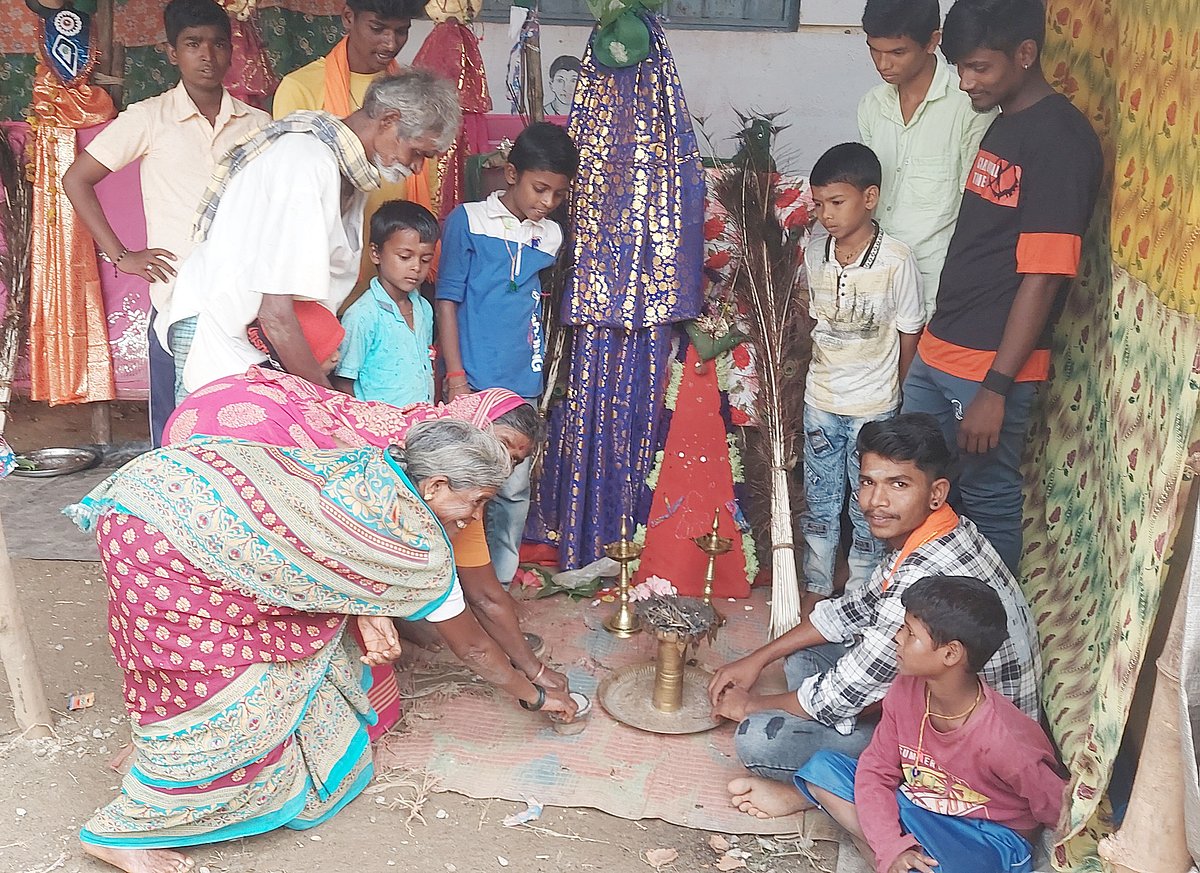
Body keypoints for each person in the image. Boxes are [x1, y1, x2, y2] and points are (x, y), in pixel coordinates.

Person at [71, 419, 575, 873]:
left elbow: (324, 557)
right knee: (220, 680)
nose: (476, 515)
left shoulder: (380, 464)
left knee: (211, 657)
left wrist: (368, 610)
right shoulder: (413, 547)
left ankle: (157, 751)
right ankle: (127, 829)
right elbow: (476, 650)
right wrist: (533, 695)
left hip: (163, 491)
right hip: (164, 534)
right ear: (437, 484)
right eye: (479, 500)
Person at [164, 367, 567, 718]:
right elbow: (473, 624)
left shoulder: (453, 483)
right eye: (498, 446)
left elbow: (479, 596)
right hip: (233, 435)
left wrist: (529, 670)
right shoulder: (411, 490)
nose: (503, 465)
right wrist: (534, 689)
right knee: (262, 595)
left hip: (241, 412)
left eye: (514, 460)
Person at [709, 414, 1040, 792]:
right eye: (868, 482)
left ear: (936, 493)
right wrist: (759, 657)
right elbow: (851, 610)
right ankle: (838, 762)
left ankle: (840, 789)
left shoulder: (924, 573)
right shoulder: (940, 530)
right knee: (802, 654)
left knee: (758, 740)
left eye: (898, 485)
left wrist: (750, 707)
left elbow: (841, 694)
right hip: (925, 699)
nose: (876, 502)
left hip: (968, 753)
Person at [900, 0, 1103, 573]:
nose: (966, 82)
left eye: (980, 69)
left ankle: (991, 642)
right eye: (959, 68)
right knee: (919, 486)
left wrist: (996, 386)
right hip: (942, 347)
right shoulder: (1007, 120)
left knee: (985, 499)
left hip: (988, 365)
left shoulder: (1061, 142)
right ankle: (918, 626)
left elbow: (1042, 277)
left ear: (1026, 55)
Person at [732, 576, 1064, 873]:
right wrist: (893, 846)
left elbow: (1057, 807)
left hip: (982, 836)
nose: (896, 638)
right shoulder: (906, 689)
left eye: (909, 633)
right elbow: (876, 771)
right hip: (918, 806)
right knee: (823, 770)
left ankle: (890, 854)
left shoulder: (1005, 741)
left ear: (950, 654)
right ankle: (893, 857)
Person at [165, 69, 459, 400]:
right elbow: (275, 315)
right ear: (389, 121)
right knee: (209, 449)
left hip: (257, 344)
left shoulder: (345, 171)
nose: (418, 168)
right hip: (221, 333)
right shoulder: (306, 162)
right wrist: (329, 407)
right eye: (418, 151)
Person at [62, 0, 269, 447]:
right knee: (177, 431)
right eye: (193, 44)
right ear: (172, 52)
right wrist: (122, 256)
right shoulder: (150, 118)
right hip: (177, 302)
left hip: (245, 303)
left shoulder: (258, 125)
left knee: (244, 426)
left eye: (217, 44)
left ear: (231, 51)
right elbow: (76, 179)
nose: (206, 56)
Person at [436, 121, 577, 585]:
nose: (546, 203)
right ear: (512, 174)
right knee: (463, 486)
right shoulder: (469, 220)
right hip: (474, 380)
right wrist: (456, 375)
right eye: (540, 189)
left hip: (522, 385)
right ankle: (456, 587)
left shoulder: (551, 238)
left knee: (514, 490)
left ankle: (497, 583)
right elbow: (447, 299)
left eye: (558, 195)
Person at [802, 143, 925, 598]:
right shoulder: (815, 254)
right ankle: (815, 587)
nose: (826, 215)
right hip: (820, 401)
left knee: (867, 505)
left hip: (874, 408)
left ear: (869, 197)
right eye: (818, 205)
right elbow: (809, 319)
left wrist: (903, 397)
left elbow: (910, 331)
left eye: (837, 202)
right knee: (819, 500)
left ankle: (861, 593)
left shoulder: (896, 259)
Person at [273, 0, 435, 286]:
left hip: (398, 275)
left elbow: (426, 180)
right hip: (324, 273)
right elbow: (291, 197)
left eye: (401, 31)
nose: (390, 42)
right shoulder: (302, 88)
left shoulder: (416, 96)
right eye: (378, 28)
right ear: (348, 18)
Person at [857, 0, 995, 317]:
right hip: (875, 281)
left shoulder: (969, 107)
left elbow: (976, 210)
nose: (882, 63)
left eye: (897, 52)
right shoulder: (871, 106)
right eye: (874, 50)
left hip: (935, 289)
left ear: (933, 41)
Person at [331, 200, 438, 406]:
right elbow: (344, 382)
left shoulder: (424, 308)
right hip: (379, 429)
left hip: (420, 422)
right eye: (405, 257)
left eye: (425, 260)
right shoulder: (363, 315)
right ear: (376, 253)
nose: (416, 267)